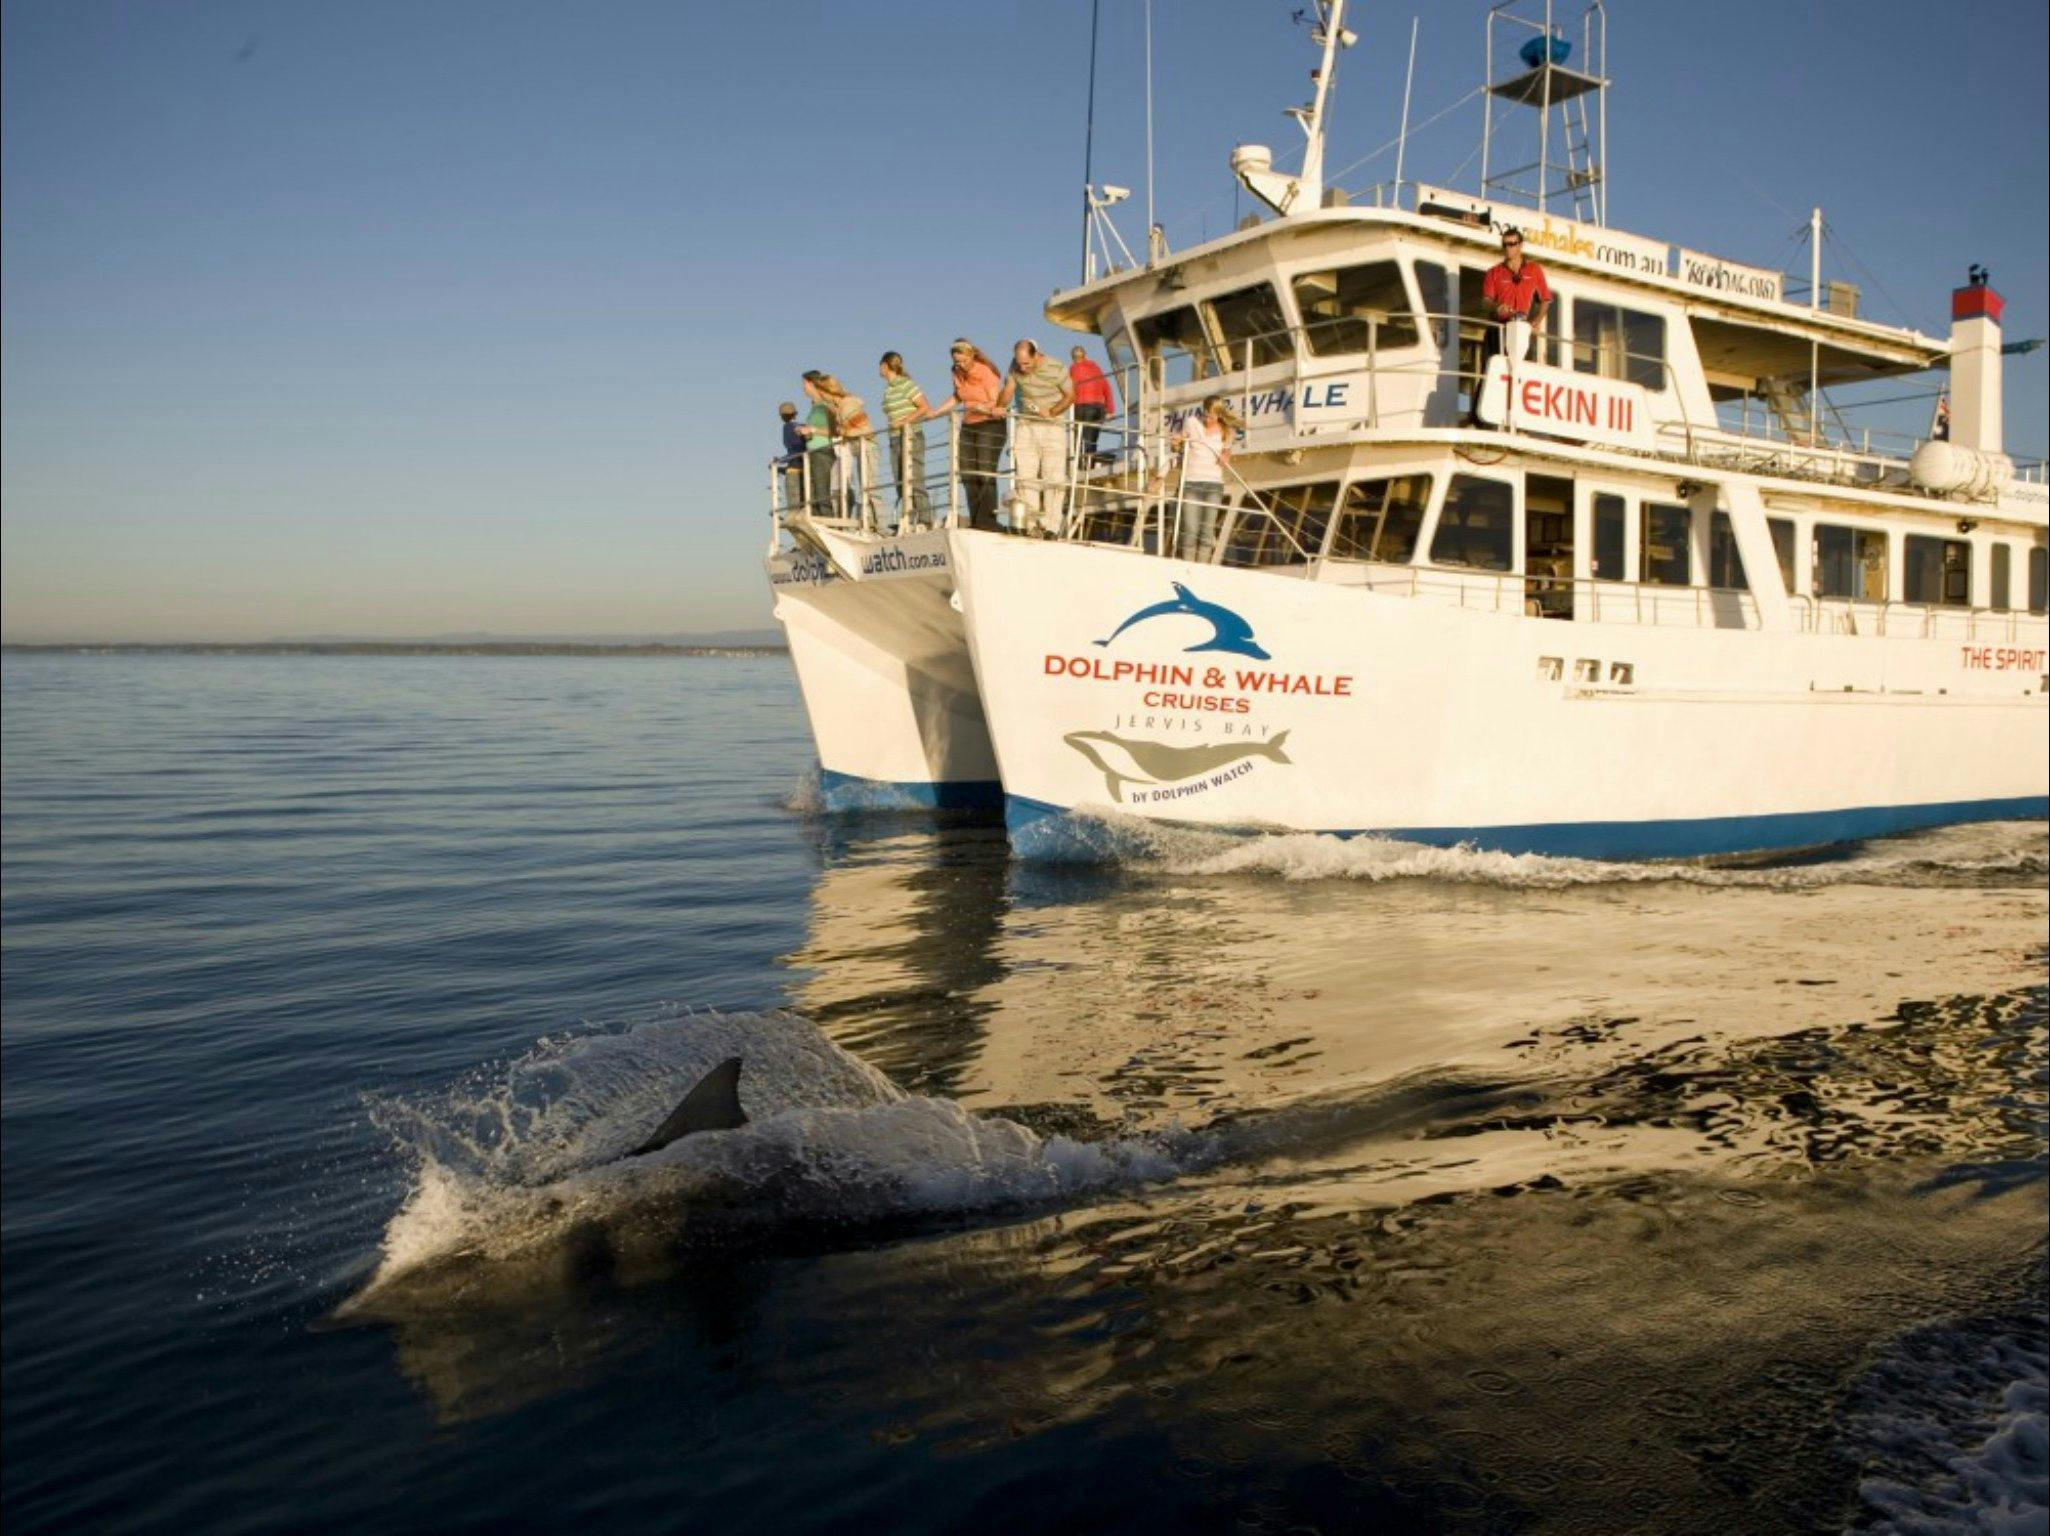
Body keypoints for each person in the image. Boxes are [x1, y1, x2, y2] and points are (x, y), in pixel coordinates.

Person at [925, 339, 1007, 530]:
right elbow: (957, 397)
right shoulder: (957, 373)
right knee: (967, 472)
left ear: (971, 356)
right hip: (969, 425)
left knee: (984, 472)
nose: (960, 364)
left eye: (962, 361)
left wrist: (983, 407)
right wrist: (936, 412)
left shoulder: (984, 371)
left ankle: (987, 520)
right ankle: (976, 520)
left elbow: (996, 401)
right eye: (956, 361)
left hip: (990, 424)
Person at [998, 339, 1075, 537]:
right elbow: (1008, 390)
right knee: (1025, 476)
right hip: (1026, 424)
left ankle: (1051, 527)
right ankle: (1029, 524)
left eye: (1027, 363)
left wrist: (1052, 411)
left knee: (1054, 477)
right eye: (1019, 363)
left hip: (1053, 424)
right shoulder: (1015, 366)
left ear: (1036, 355)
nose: (1022, 368)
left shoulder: (1055, 367)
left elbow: (1070, 395)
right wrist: (999, 405)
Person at [1171, 395, 1236, 563]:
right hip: (1191, 481)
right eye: (1206, 414)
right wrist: (1177, 441)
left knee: (1207, 531)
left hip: (1213, 484)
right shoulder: (1191, 422)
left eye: (1212, 416)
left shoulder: (1227, 432)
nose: (1207, 419)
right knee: (1191, 529)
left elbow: (1227, 452)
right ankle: (1187, 568)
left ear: (1219, 415)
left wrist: (1225, 456)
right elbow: (1179, 442)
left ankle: (1202, 570)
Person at [810, 373, 880, 526]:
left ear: (828, 391)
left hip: (867, 447)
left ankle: (879, 524)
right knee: (865, 488)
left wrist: (845, 433)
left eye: (821, 392)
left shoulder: (848, 405)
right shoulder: (839, 407)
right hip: (857, 448)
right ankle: (873, 524)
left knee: (871, 489)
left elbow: (867, 431)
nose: (821, 396)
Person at [877, 352, 930, 528]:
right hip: (894, 438)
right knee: (900, 480)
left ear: (885, 366)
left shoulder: (905, 384)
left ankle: (925, 519)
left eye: (880, 366)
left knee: (914, 477)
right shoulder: (888, 388)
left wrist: (903, 422)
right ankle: (908, 518)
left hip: (910, 435)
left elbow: (924, 407)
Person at [797, 374, 839, 519]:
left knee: (822, 493)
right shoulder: (814, 407)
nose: (803, 387)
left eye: (805, 383)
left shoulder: (827, 405)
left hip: (823, 451)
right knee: (813, 496)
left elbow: (836, 430)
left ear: (812, 384)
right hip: (812, 452)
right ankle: (819, 525)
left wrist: (813, 430)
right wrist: (805, 432)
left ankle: (830, 524)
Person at [1069, 346, 1117, 465]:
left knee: (1079, 438)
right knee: (1092, 438)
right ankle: (1089, 464)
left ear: (1073, 358)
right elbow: (1107, 389)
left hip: (1080, 406)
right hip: (1097, 407)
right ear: (1085, 355)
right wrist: (1110, 410)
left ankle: (1080, 466)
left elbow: (1070, 389)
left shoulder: (1073, 368)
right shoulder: (1097, 369)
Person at [776, 401, 807, 512]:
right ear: (795, 414)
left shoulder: (787, 427)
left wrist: (780, 461)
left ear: (782, 416)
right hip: (805, 469)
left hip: (794, 469)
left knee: (794, 509)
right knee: (804, 505)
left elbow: (794, 449)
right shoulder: (804, 427)